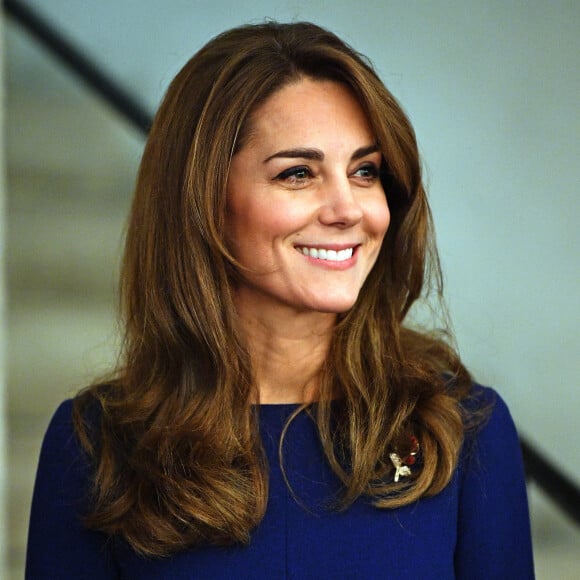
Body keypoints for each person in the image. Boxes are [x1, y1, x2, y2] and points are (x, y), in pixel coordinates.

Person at [26, 21, 534, 579]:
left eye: (365, 171)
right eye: (298, 173)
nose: (348, 209)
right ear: (205, 201)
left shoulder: (462, 428)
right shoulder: (97, 444)